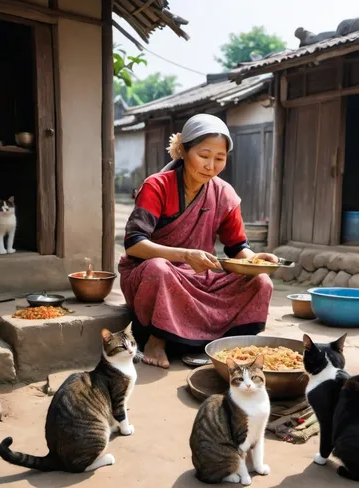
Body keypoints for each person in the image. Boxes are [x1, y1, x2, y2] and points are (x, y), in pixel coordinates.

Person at [118, 114, 277, 369]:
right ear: (183, 150)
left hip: (201, 275)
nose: (211, 166)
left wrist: (257, 260)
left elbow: (237, 247)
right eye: (204, 156)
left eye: (220, 158)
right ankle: (157, 340)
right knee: (159, 269)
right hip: (155, 273)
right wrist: (185, 256)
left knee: (260, 281)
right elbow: (134, 244)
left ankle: (224, 345)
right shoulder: (157, 186)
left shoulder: (224, 194)